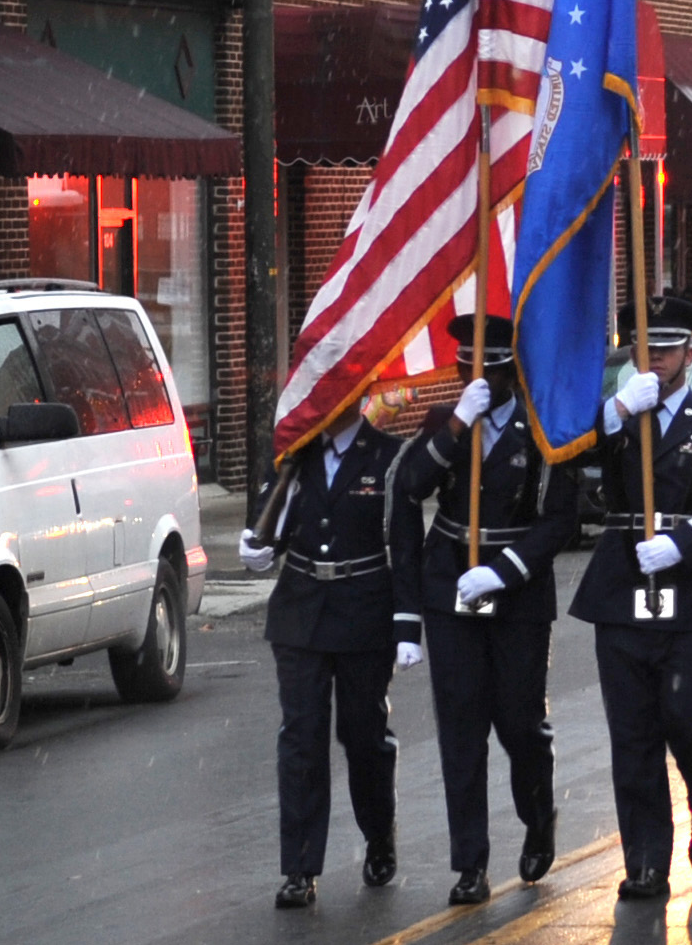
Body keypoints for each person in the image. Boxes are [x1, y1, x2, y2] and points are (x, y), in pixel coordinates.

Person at [396, 314, 580, 905]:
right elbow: (412, 486)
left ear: (511, 371)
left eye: (491, 369)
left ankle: (537, 813)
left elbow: (560, 519)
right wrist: (457, 424)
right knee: (461, 729)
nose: (478, 377)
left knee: (520, 724)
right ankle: (470, 863)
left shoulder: (544, 427)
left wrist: (503, 571)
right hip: (451, 583)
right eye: (467, 367)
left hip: (518, 589)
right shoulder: (445, 422)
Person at [576, 295, 692, 900]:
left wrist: (685, 545)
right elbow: (570, 454)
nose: (657, 357)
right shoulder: (621, 418)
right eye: (646, 348)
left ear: (690, 355)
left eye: (669, 348)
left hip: (690, 590)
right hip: (623, 588)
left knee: (690, 720)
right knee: (633, 734)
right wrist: (617, 410)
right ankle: (646, 861)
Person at [238, 401, 423, 909]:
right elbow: (270, 521)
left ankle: (379, 832)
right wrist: (257, 546)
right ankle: (299, 868)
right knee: (301, 737)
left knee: (363, 736)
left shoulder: (389, 457)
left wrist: (408, 623)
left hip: (364, 611)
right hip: (300, 611)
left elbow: (405, 546)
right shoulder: (294, 451)